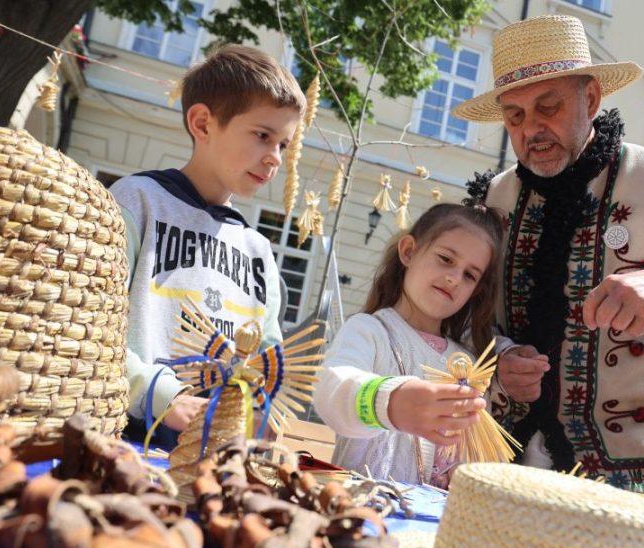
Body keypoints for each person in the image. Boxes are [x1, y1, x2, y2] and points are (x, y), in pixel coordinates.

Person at [452, 15, 644, 494]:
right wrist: (499, 358)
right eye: (514, 116)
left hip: (629, 488)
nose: (532, 128)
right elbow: (457, 319)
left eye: (548, 106)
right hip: (499, 468)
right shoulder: (492, 199)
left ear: (592, 99)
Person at [111, 45, 305, 447]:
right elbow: (93, 327)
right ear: (202, 123)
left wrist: (261, 410)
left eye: (283, 145)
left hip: (215, 454)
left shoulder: (258, 252)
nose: (275, 159)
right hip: (126, 441)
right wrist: (163, 395)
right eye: (263, 136)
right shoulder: (136, 202)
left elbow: (267, 361)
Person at [313, 203, 505, 487]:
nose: (454, 278)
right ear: (409, 252)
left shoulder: (469, 366)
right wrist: (389, 402)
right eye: (446, 259)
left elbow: (475, 454)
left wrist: (462, 473)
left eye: (470, 275)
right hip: (357, 508)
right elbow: (330, 388)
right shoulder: (369, 331)